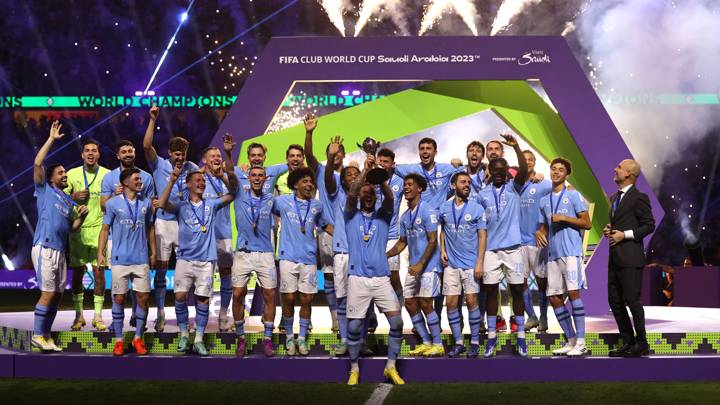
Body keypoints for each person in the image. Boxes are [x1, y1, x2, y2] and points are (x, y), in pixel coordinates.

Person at [157, 134, 238, 356]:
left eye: (203, 181)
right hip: (184, 259)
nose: (202, 183)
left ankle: (199, 338)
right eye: (198, 181)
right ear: (189, 184)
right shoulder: (182, 206)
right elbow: (162, 204)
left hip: (206, 260)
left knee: (203, 299)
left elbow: (233, 194)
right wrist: (172, 180)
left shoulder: (211, 205)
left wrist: (222, 177)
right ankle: (184, 335)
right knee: (181, 297)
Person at [31, 121, 89, 351]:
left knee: (56, 295)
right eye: (61, 172)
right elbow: (37, 163)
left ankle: (46, 335)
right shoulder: (44, 190)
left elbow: (72, 228)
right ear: (52, 178)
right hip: (44, 247)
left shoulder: (67, 200)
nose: (65, 175)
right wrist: (52, 139)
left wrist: (81, 217)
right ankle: (37, 335)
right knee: (47, 293)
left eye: (65, 172)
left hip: (61, 251)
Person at [344, 166, 404, 386]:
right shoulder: (350, 215)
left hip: (381, 278)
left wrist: (381, 180)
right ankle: (354, 369)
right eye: (364, 193)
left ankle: (390, 367)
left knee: (397, 322)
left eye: (371, 193)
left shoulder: (383, 216)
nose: (368, 196)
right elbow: (351, 194)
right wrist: (366, 172)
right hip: (357, 278)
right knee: (353, 328)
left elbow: (389, 197)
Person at [394, 138, 464, 321]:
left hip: (442, 228)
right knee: (427, 279)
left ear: (435, 151)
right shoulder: (412, 169)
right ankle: (431, 323)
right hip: (420, 228)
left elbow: (466, 175)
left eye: (429, 149)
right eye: (422, 148)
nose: (425, 152)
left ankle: (442, 319)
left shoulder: (447, 169)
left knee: (443, 274)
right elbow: (390, 166)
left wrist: (460, 163)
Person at [143, 102, 198, 332]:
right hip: (164, 223)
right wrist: (153, 119)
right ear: (169, 153)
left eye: (183, 154)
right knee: (162, 269)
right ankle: (160, 314)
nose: (180, 158)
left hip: (184, 224)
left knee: (187, 269)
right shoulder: (159, 165)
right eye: (177, 154)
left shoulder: (192, 167)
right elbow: (146, 146)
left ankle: (186, 315)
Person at [477, 133, 530, 357]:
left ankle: (521, 338)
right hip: (491, 251)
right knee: (490, 292)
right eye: (495, 170)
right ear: (490, 171)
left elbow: (524, 170)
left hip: (514, 249)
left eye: (502, 170)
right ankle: (491, 337)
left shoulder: (514, 188)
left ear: (507, 171)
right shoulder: (482, 194)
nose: (498, 173)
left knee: (518, 290)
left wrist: (516, 146)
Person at [536, 158, 591, 356]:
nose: (556, 172)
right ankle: (571, 340)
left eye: (560, 170)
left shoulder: (573, 195)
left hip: (571, 252)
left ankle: (582, 342)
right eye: (553, 169)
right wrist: (539, 232)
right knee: (554, 297)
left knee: (574, 293)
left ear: (566, 175)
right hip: (553, 254)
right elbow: (544, 226)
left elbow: (587, 223)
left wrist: (565, 218)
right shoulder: (544, 201)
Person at [98, 168, 156, 356]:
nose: (140, 182)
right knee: (119, 298)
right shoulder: (113, 204)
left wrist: (153, 252)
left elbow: (150, 228)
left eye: (140, 179)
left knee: (143, 299)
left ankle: (138, 338)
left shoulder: (146, 202)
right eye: (137, 179)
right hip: (119, 258)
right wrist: (101, 253)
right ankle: (118, 340)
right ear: (125, 182)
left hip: (141, 258)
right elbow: (105, 229)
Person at [387, 174, 444, 357]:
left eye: (410, 184)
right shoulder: (404, 216)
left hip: (428, 267)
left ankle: (438, 343)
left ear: (419, 188)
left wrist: (421, 263)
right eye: (404, 184)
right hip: (414, 267)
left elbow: (433, 240)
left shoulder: (428, 210)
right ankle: (427, 342)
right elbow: (402, 242)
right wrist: (385, 255)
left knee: (426, 303)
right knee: (410, 303)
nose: (406, 187)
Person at [605, 159, 655, 357]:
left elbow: (649, 225)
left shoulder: (639, 197)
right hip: (615, 258)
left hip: (631, 258)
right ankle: (627, 341)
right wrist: (611, 230)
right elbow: (620, 222)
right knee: (614, 301)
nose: (614, 169)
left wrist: (623, 234)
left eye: (618, 167)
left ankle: (642, 342)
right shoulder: (614, 197)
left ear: (628, 174)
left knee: (632, 301)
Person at [272, 166, 324, 356]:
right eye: (305, 181)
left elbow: (325, 225)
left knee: (307, 299)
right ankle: (288, 337)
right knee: (289, 297)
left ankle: (301, 338)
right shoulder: (282, 202)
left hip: (309, 258)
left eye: (311, 181)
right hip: (287, 256)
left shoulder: (317, 205)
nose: (309, 184)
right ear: (295, 185)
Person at [439, 172, 487, 358]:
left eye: (468, 182)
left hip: (470, 264)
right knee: (451, 303)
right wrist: (442, 249)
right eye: (463, 182)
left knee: (472, 301)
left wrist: (479, 262)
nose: (467, 185)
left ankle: (474, 342)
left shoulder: (477, 208)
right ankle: (459, 342)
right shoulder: (443, 207)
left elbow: (483, 236)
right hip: (451, 264)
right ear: (453, 185)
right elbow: (442, 230)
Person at [64, 138, 110, 331]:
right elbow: (60, 197)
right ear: (82, 155)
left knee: (99, 273)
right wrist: (73, 197)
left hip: (100, 230)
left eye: (94, 150)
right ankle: (78, 316)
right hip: (79, 230)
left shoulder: (108, 175)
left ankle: (98, 316)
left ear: (98, 154)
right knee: (77, 273)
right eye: (87, 150)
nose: (91, 153)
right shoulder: (72, 174)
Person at [232, 165, 277, 357]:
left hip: (265, 253)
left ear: (265, 179)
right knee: (237, 294)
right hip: (243, 253)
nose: (257, 178)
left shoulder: (271, 199)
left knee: (270, 295)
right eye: (254, 175)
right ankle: (241, 338)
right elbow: (228, 172)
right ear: (248, 178)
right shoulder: (239, 195)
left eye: (260, 176)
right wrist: (227, 154)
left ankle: (267, 339)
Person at [303, 113, 342, 332]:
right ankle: (335, 318)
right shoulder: (321, 172)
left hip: (347, 234)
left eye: (338, 152)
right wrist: (309, 133)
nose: (335, 154)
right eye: (331, 152)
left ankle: (352, 319)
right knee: (329, 274)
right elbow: (309, 154)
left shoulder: (348, 177)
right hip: (327, 232)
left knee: (347, 277)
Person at [326, 136, 361, 355]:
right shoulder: (336, 193)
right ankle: (344, 340)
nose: (352, 177)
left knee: (361, 301)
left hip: (360, 255)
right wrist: (331, 157)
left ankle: (360, 340)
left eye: (356, 174)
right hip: (340, 253)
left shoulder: (367, 196)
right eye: (348, 174)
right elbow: (329, 176)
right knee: (342, 299)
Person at [201, 145, 235, 331]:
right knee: (204, 277)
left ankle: (223, 314)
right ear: (205, 160)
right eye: (212, 156)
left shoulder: (226, 178)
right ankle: (202, 317)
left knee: (226, 274)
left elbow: (236, 191)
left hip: (224, 234)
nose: (216, 158)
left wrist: (223, 175)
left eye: (218, 156)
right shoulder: (198, 179)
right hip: (204, 237)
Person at [519, 150, 552, 332]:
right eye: (524, 160)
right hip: (518, 243)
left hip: (537, 242)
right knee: (519, 282)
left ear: (535, 162)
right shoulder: (513, 185)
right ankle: (531, 317)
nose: (528, 162)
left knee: (542, 282)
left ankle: (544, 317)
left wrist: (544, 229)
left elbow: (565, 191)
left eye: (531, 159)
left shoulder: (544, 184)